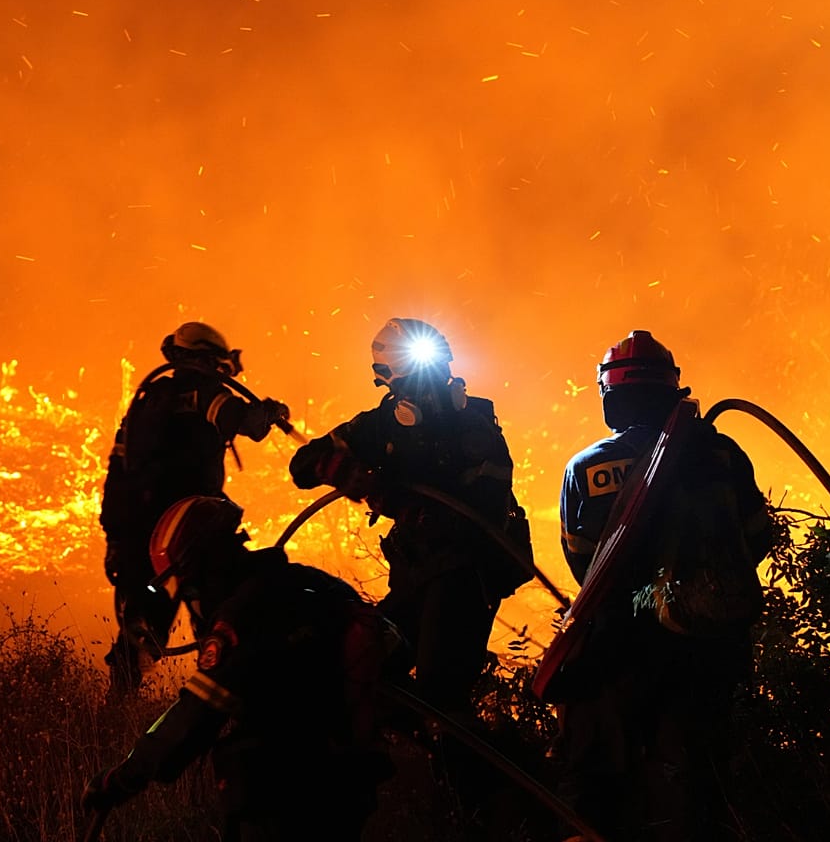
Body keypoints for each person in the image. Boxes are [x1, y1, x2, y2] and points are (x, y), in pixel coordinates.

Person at [555, 329, 774, 842]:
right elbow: (756, 538)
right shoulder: (721, 454)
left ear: (610, 395)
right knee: (700, 780)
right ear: (671, 386)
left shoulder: (586, 468)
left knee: (597, 783)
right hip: (711, 644)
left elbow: (582, 565)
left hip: (619, 649)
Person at [81, 495, 393, 841]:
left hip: (289, 789)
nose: (189, 604)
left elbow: (197, 713)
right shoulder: (300, 582)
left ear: (204, 567)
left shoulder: (240, 617)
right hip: (345, 777)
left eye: (186, 589)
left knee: (245, 756)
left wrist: (124, 777)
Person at [289, 317, 533, 724]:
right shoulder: (379, 425)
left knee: (441, 692)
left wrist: (399, 502)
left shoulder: (475, 422)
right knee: (366, 661)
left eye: (436, 370)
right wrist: (340, 468)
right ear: (386, 380)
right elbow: (302, 465)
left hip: (465, 573)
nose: (430, 386)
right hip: (414, 572)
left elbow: (483, 513)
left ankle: (471, 778)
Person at [99, 322, 290, 692]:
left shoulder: (148, 402)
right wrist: (269, 412)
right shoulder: (204, 393)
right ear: (209, 360)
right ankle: (222, 705)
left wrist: (116, 539)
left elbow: (117, 473)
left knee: (141, 624)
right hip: (194, 535)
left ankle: (116, 710)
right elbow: (243, 419)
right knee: (221, 617)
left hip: (145, 538)